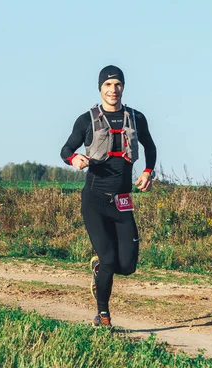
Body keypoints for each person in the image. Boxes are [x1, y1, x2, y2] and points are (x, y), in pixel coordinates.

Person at [60, 65, 157, 327]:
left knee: (127, 266)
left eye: (118, 85)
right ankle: (103, 314)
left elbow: (150, 146)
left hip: (123, 201)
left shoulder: (136, 118)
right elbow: (66, 148)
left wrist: (148, 171)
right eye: (108, 85)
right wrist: (74, 158)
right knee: (109, 259)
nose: (113, 90)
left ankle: (97, 269)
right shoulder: (86, 120)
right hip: (94, 200)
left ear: (123, 87)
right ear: (100, 88)